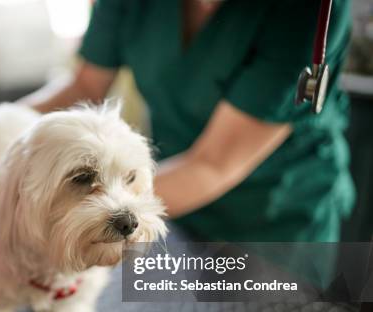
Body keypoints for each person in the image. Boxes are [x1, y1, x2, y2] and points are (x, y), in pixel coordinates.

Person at [20, 0, 355, 249]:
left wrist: (69, 218)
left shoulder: (307, 10)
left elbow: (213, 165)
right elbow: (84, 88)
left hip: (277, 221)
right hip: (169, 203)